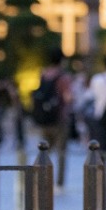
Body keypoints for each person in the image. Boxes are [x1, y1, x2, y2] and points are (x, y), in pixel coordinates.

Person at [31, 48, 73, 192]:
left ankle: (42, 179)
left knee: (44, 150)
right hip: (59, 118)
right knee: (61, 152)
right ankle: (59, 184)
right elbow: (67, 97)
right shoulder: (63, 77)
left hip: (44, 119)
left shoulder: (44, 74)